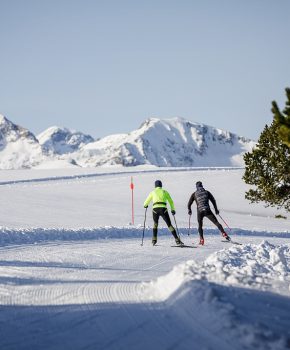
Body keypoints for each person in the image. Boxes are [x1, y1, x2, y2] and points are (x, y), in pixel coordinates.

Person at [187, 181, 230, 245]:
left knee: (200, 225)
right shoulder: (207, 192)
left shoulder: (194, 194)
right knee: (216, 222)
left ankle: (201, 239)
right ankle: (224, 233)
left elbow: (189, 204)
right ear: (202, 186)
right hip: (207, 210)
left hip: (200, 211)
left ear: (196, 187)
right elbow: (213, 201)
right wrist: (216, 210)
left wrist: (189, 210)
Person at [144, 180, 183, 246]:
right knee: (169, 225)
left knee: (155, 224)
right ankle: (177, 240)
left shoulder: (153, 192)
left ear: (155, 186)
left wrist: (145, 205)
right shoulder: (165, 192)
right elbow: (171, 201)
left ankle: (154, 240)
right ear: (161, 185)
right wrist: (172, 209)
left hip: (155, 210)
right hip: (163, 209)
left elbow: (145, 203)